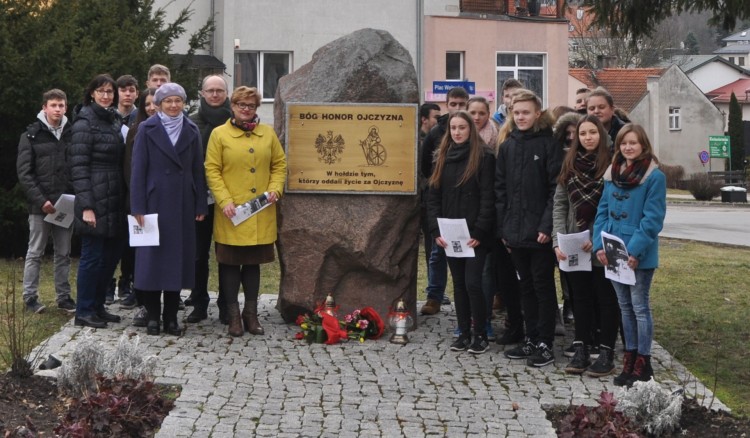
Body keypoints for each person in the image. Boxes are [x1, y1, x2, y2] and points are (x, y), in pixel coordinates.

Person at [205, 86, 287, 337]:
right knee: (229, 265)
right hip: (231, 213)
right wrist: (224, 200)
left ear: (256, 109)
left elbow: (279, 164)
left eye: (250, 106)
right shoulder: (219, 135)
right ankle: (233, 317)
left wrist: (275, 189)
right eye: (241, 105)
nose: (246, 110)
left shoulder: (268, 133)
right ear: (233, 106)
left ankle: (250, 315)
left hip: (260, 212)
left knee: (253, 266)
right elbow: (212, 170)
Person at [130, 83, 208, 336]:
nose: (174, 106)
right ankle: (153, 317)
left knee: (177, 261)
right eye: (168, 101)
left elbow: (198, 170)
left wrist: (199, 204)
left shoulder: (192, 130)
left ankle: (171, 317)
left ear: (184, 103)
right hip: (154, 203)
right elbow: (138, 170)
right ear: (159, 104)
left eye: (178, 101)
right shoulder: (146, 128)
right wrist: (138, 206)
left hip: (183, 204)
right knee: (153, 262)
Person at [593, 123, 666, 386]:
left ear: (643, 145)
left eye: (633, 143)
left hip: (638, 252)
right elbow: (602, 211)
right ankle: (629, 357)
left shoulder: (654, 176)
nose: (628, 147)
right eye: (624, 143)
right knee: (624, 306)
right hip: (612, 248)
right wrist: (599, 245)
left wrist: (634, 251)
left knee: (639, 307)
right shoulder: (612, 173)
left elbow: (653, 219)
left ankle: (643, 363)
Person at [496, 89, 562, 367]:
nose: (521, 116)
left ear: (537, 113)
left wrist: (547, 225)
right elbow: (500, 190)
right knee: (525, 289)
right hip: (515, 232)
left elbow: (555, 189)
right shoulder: (508, 146)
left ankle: (546, 343)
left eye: (526, 112)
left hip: (540, 232)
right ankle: (531, 338)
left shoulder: (549, 144)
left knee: (542, 287)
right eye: (516, 112)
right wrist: (504, 229)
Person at [553, 115, 620, 376]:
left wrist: (598, 238)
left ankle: (606, 351)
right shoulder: (569, 164)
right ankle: (581, 348)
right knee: (579, 297)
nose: (588, 138)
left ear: (601, 135)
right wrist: (558, 238)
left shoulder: (612, 165)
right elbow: (559, 204)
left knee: (605, 297)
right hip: (574, 240)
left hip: (601, 243)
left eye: (593, 132)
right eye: (583, 134)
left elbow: (614, 207)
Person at [426, 110, 495, 354]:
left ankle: (480, 333)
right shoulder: (442, 156)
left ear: (470, 130)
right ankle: (463, 331)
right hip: (449, 232)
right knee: (459, 285)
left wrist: (479, 230)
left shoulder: (484, 156)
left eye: (462, 128)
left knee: (473, 283)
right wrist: (436, 229)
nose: (457, 132)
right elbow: (433, 196)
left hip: (475, 234)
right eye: (453, 128)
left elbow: (488, 196)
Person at [69, 74, 126, 328]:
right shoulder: (84, 123)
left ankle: (98, 306)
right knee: (92, 257)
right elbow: (78, 168)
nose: (106, 95)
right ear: (91, 93)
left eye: (110, 91)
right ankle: (83, 311)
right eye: (101, 91)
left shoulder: (112, 120)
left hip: (114, 197)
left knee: (110, 257)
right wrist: (87, 206)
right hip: (93, 198)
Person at [16, 89, 76, 314]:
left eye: (61, 105)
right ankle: (30, 297)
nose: (57, 110)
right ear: (44, 107)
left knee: (63, 253)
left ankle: (63, 297)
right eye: (53, 105)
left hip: (65, 205)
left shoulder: (72, 133)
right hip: (40, 206)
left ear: (66, 108)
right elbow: (24, 173)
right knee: (35, 252)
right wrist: (41, 201)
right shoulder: (31, 135)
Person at [185, 74, 233, 324]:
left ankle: (227, 304)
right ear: (202, 94)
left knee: (226, 253)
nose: (215, 95)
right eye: (210, 90)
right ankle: (199, 301)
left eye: (220, 90)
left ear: (227, 94)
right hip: (200, 198)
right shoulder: (191, 124)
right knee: (198, 254)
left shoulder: (236, 122)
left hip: (230, 200)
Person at [419, 87, 469, 315]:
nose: (457, 108)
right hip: (443, 199)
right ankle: (434, 296)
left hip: (469, 202)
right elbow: (425, 168)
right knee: (438, 252)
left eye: (462, 104)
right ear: (447, 105)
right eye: (454, 104)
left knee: (470, 254)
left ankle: (470, 300)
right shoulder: (436, 132)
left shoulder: (473, 130)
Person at [123, 87, 158, 326]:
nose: (152, 107)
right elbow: (129, 169)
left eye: (156, 103)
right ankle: (144, 305)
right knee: (143, 257)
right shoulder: (136, 131)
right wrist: (138, 202)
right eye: (147, 104)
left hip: (163, 202)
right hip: (140, 204)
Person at [107, 74, 140, 308]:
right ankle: (108, 285)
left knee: (132, 241)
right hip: (110, 184)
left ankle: (127, 282)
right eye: (123, 90)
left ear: (137, 93)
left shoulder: (141, 116)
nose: (127, 94)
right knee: (111, 239)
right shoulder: (109, 116)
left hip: (132, 185)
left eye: (131, 90)